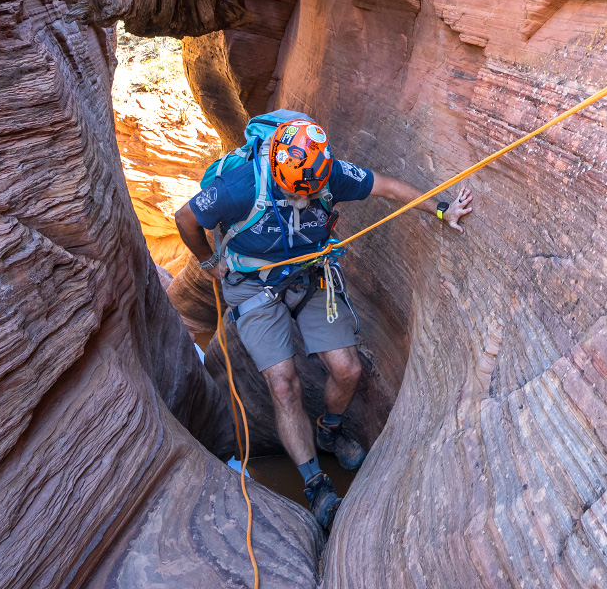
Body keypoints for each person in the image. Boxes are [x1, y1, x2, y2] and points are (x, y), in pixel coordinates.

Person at [174, 113, 473, 530]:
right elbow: (185, 218)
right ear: (277, 167)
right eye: (294, 193)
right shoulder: (242, 184)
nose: (303, 198)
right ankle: (315, 484)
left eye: (309, 193)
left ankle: (329, 429)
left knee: (348, 369)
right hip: (252, 286)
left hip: (310, 276)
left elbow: (385, 186)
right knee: (284, 384)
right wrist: (208, 261)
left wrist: (441, 208)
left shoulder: (327, 171)